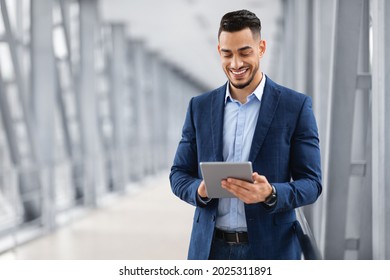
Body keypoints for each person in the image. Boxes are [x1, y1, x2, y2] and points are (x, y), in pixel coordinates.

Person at [169, 9, 322, 260]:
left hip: (271, 250)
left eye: (245, 52)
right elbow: (178, 174)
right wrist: (200, 191)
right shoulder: (199, 107)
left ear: (261, 48)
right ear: (219, 51)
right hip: (210, 250)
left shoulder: (295, 107)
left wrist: (271, 193)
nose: (236, 64)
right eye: (227, 54)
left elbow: (312, 184)